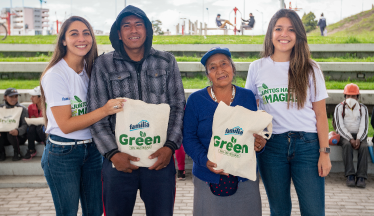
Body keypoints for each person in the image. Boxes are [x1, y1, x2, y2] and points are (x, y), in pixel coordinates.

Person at [87, 5, 185, 216]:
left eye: (139, 25)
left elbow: (177, 108)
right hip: (119, 162)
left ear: (147, 30)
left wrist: (170, 147)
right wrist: (113, 154)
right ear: (119, 34)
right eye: (127, 26)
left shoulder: (167, 61)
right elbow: (97, 114)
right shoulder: (103, 65)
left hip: (159, 161)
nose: (133, 30)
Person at [245, 9, 331, 215]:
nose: (284, 34)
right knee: (279, 210)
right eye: (279, 29)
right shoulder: (257, 68)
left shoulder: (311, 68)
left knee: (313, 210)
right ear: (270, 34)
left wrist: (324, 153)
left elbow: (321, 115)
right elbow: (251, 110)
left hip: (307, 146)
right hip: (272, 146)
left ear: (298, 35)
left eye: (291, 30)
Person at [40, 16, 124, 216]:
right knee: (68, 212)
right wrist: (104, 110)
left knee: (95, 212)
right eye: (74, 34)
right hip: (63, 153)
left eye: (86, 33)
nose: (82, 38)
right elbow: (66, 125)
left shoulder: (90, 70)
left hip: (92, 150)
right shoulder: (55, 75)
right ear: (63, 40)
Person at [183, 47, 267, 216]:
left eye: (224, 64)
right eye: (212, 67)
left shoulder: (247, 96)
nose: (220, 70)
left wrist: (260, 143)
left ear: (232, 68)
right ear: (208, 75)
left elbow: (255, 132)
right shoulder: (196, 100)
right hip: (208, 177)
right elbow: (189, 138)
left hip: (244, 177)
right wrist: (205, 161)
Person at [334, 83, 369, 188]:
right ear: (345, 96)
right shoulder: (339, 108)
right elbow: (339, 127)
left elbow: (364, 126)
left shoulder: (363, 108)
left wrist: (358, 139)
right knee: (347, 145)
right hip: (344, 135)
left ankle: (361, 177)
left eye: (353, 96)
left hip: (360, 135)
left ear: (357, 97)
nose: (351, 98)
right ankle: (350, 175)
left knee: (364, 147)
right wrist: (350, 139)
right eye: (348, 96)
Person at [0, 88, 28, 161]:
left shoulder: (22, 109)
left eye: (16, 96)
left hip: (19, 137)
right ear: (5, 97)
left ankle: (17, 153)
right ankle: (1, 153)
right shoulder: (1, 108)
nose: (14, 99)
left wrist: (18, 131)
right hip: (4, 137)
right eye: (11, 97)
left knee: (11, 133)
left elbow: (25, 125)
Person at [23, 86, 44, 160]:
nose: (31, 98)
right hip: (36, 134)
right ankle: (31, 150)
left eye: (33, 96)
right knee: (32, 127)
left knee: (39, 127)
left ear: (40, 97)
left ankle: (47, 146)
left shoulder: (48, 106)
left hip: (45, 133)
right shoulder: (30, 107)